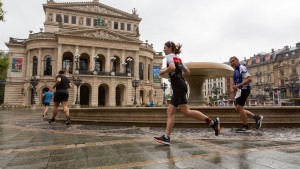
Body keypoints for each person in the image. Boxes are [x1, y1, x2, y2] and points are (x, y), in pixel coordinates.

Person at [154, 41, 220, 145]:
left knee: (186, 112)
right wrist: (177, 76)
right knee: (171, 112)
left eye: (165, 47)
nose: (164, 49)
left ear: (170, 48)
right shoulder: (178, 58)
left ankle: (212, 122)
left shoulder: (170, 57)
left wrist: (163, 71)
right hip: (180, 85)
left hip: (178, 87)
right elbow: (187, 72)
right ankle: (166, 137)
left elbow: (172, 68)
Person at [229, 56, 263, 133]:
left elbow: (249, 79)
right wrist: (234, 87)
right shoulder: (235, 70)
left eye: (233, 61)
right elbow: (236, 82)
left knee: (240, 108)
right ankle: (257, 117)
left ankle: (245, 126)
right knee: (237, 109)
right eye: (231, 62)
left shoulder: (242, 67)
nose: (232, 63)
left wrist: (238, 85)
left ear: (237, 60)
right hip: (239, 91)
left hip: (244, 89)